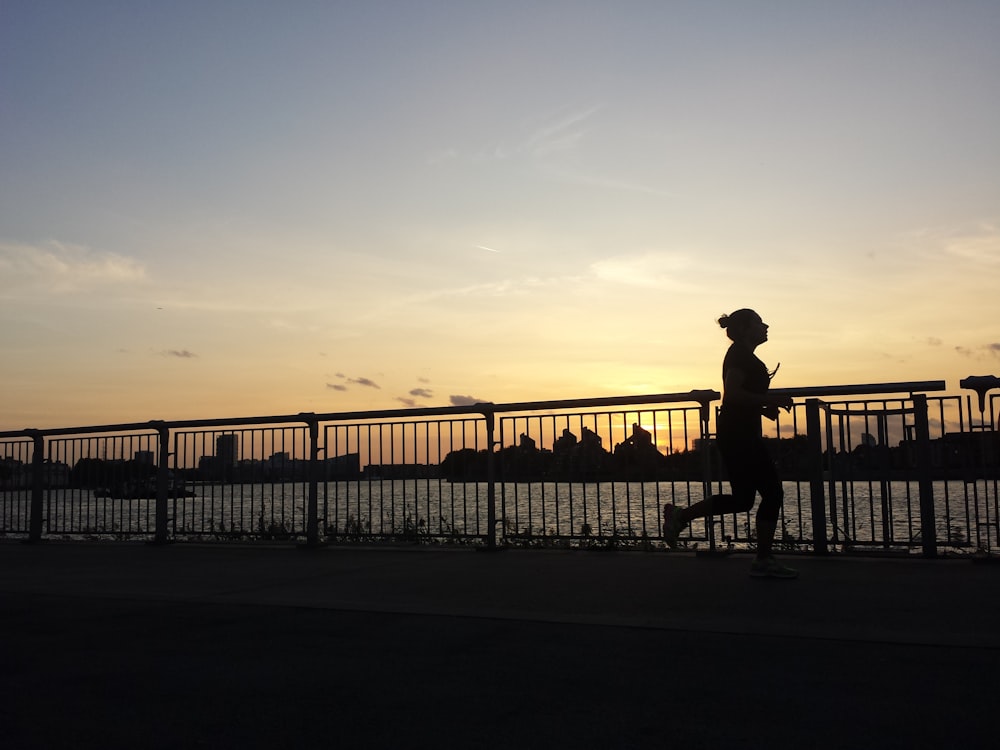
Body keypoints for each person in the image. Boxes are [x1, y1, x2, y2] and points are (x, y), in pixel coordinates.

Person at [662, 309, 798, 578]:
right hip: (740, 435)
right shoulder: (739, 355)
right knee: (772, 493)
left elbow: (740, 396)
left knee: (742, 499)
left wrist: (762, 407)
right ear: (747, 328)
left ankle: (680, 516)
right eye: (760, 322)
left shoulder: (744, 355)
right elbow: (732, 395)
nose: (766, 326)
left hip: (738, 433)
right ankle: (763, 559)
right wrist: (769, 401)